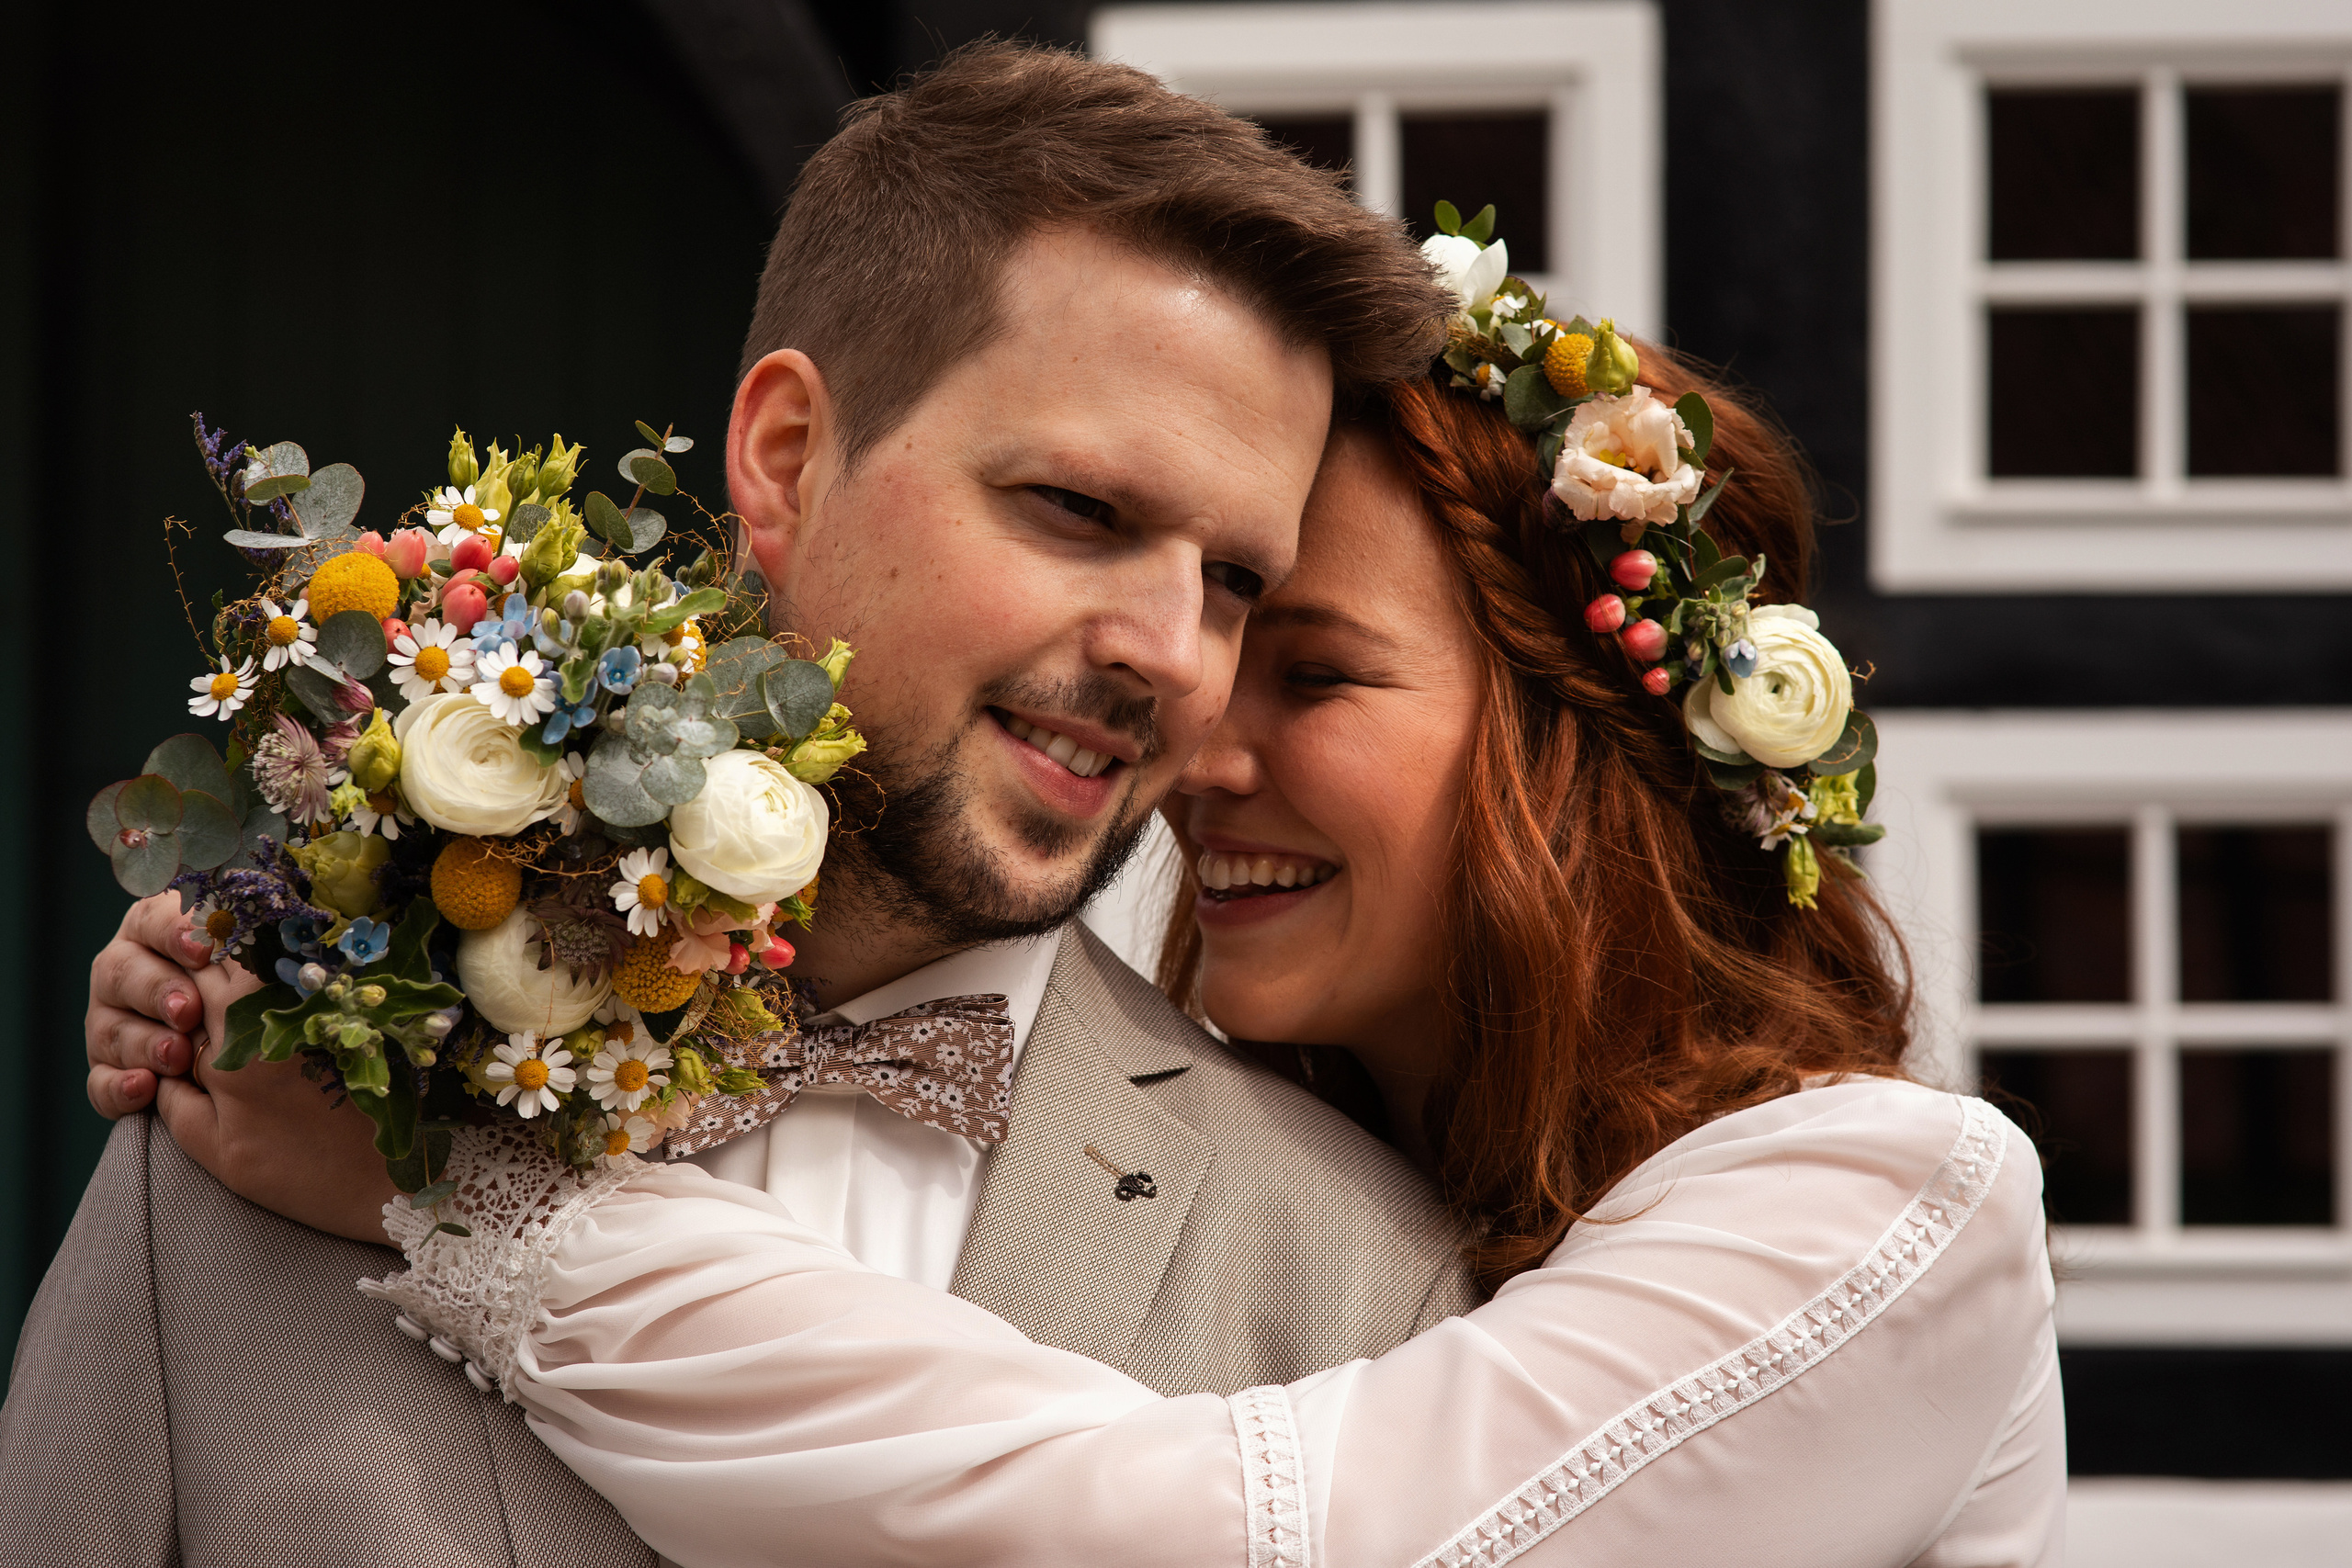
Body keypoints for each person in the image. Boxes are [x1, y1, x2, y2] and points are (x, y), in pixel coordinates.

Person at [100, 249, 2068, 1563]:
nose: (1197, 727)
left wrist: (480, 1202)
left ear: (1574, 748)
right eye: (1204, 620)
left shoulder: (1885, 1200)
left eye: (1304, 661)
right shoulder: (1327, 1154)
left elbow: (1236, 1531)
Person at [6, 45, 1484, 1565]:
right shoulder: (277, 1085)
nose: (1176, 659)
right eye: (1080, 510)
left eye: (1236, 578)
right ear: (786, 460)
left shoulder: (1367, 1298)